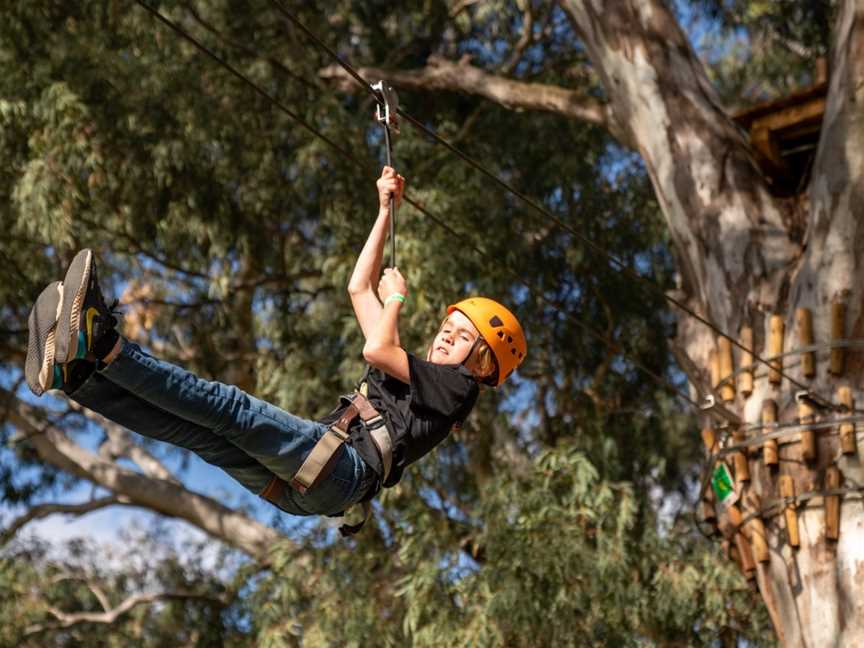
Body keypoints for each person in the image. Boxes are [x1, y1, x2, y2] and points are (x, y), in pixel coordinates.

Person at [24, 167, 527, 531]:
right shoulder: (422, 376)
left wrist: (395, 300)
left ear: (482, 362)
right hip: (320, 485)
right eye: (447, 326)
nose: (444, 335)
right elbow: (358, 287)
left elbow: (377, 347)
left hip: (342, 468)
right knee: (204, 435)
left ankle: (103, 343)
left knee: (228, 407)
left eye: (461, 338)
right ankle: (82, 377)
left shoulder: (458, 387)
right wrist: (382, 212)